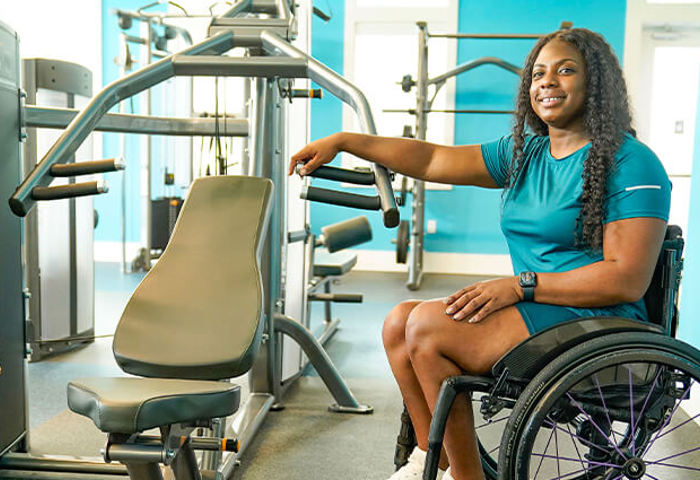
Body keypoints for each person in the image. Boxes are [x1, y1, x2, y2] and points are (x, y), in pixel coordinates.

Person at [288, 28, 671, 480]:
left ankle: (463, 477)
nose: (547, 82)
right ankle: (434, 460)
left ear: (597, 85)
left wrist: (520, 285)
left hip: (600, 321)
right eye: (539, 73)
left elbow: (625, 278)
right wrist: (348, 140)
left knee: (429, 329)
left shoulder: (632, 162)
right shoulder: (527, 153)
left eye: (566, 70)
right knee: (398, 323)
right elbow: (432, 160)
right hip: (545, 309)